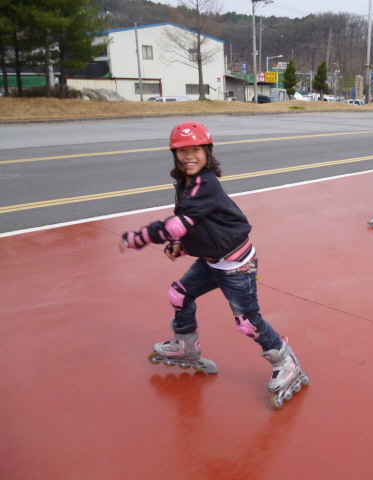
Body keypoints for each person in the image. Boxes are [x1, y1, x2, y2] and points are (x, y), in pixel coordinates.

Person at [118, 121, 308, 406]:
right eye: (181, 151)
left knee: (247, 322)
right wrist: (182, 247)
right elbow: (199, 225)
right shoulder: (186, 184)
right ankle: (186, 345)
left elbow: (179, 224)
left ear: (207, 152)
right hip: (211, 260)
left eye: (195, 149)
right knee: (179, 294)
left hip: (236, 266)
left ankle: (285, 360)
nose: (188, 156)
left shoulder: (205, 183)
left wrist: (139, 238)